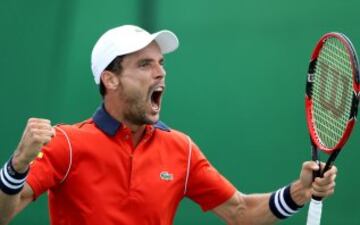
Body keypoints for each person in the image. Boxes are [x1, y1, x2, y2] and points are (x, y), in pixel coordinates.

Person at [0, 25, 336, 225]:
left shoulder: (181, 149)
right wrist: (16, 166)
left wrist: (298, 192)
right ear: (110, 79)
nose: (161, 72)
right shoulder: (67, 144)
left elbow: (241, 212)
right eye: (144, 64)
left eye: (160, 63)